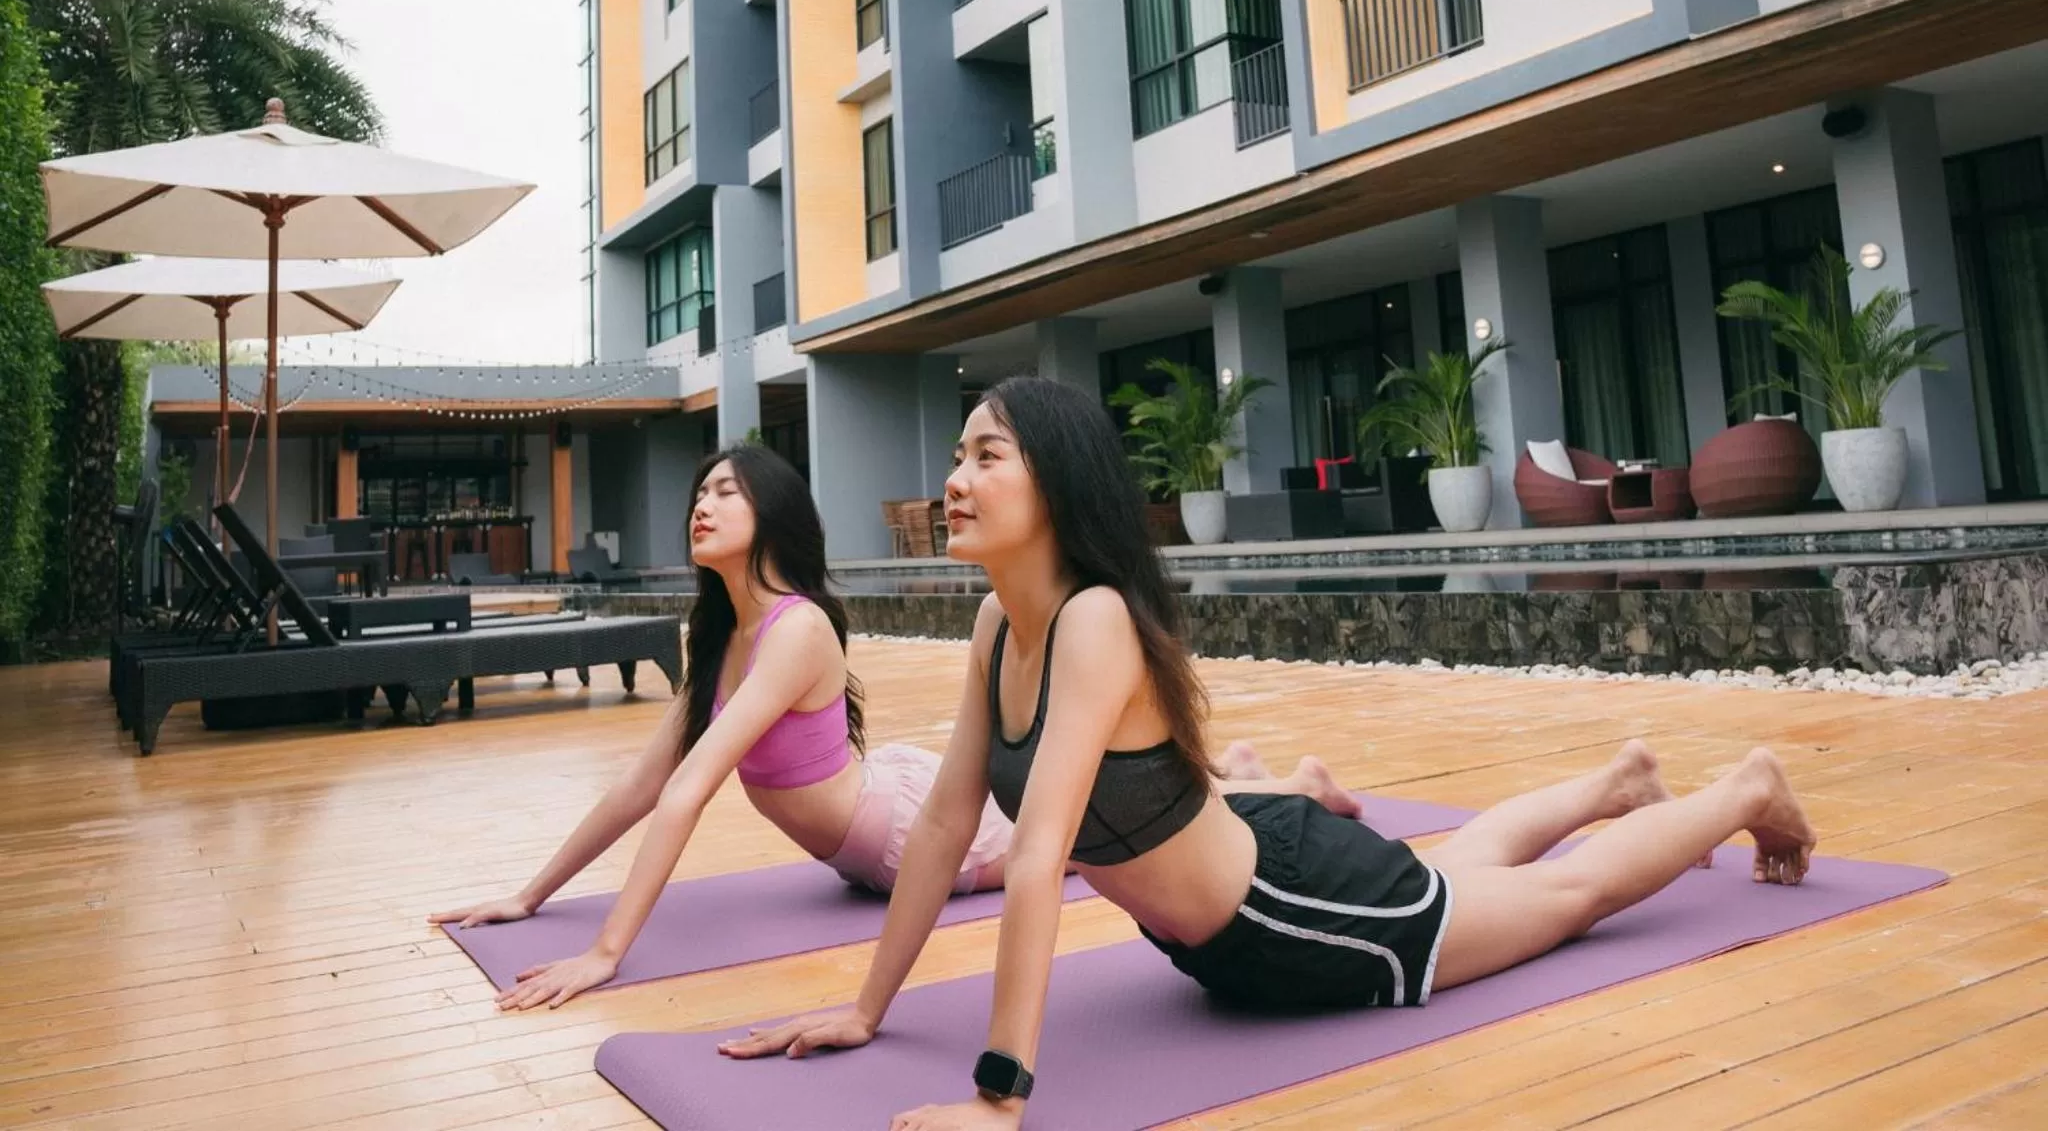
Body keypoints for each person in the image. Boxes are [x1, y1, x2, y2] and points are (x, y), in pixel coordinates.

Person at [718, 379, 1818, 1131]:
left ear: (1056, 482)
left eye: (986, 456)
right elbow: (946, 823)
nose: (955, 478)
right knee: (1444, 882)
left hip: (1288, 911)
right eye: (957, 455)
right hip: (1245, 891)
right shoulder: (999, 624)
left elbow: (1041, 855)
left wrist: (999, 1096)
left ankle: (1742, 788)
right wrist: (866, 1007)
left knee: (1561, 900)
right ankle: (1614, 781)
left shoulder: (1094, 619)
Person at [429, 444, 1347, 1012]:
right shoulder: (720, 639)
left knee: (1094, 832)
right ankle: (1235, 770)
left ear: (773, 517)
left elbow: (688, 793)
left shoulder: (795, 631)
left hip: (904, 835)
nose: (701, 506)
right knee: (1092, 812)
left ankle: (1280, 784)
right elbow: (641, 785)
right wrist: (530, 895)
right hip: (880, 817)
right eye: (699, 493)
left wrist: (604, 953)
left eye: (727, 493)